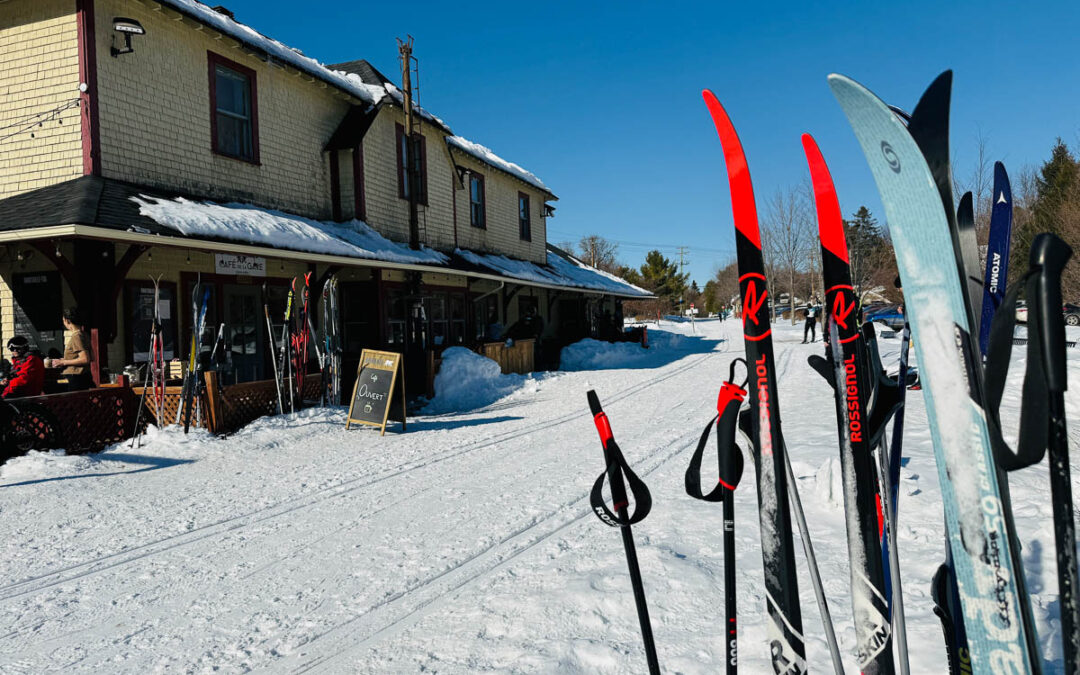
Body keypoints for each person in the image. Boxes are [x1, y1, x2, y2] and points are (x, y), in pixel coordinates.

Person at [47, 307, 94, 391]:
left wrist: (63, 362)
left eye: (63, 320)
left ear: (67, 320)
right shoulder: (84, 334)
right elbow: (91, 357)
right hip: (84, 376)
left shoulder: (77, 336)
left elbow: (85, 359)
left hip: (76, 377)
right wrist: (66, 359)